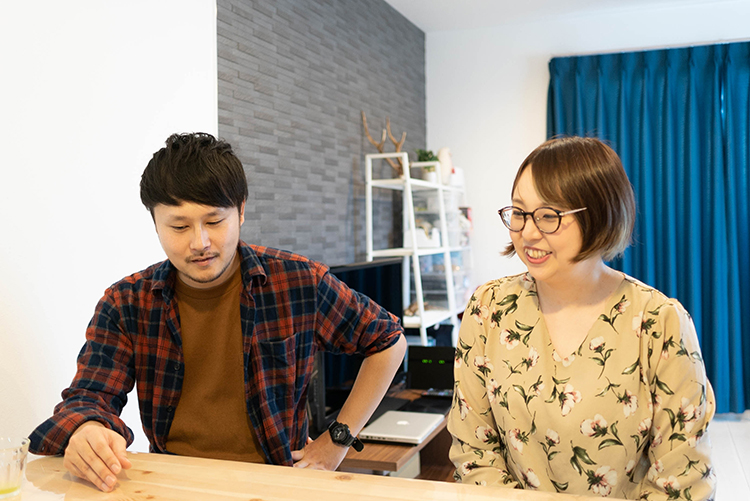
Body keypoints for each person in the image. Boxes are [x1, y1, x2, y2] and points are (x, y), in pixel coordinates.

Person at [29, 132, 406, 492]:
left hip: (278, 481)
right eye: (179, 226)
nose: (200, 242)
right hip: (172, 483)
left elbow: (388, 341)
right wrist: (87, 429)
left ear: (240, 211)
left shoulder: (297, 281)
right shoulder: (127, 303)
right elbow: (89, 396)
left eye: (213, 221)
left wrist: (338, 439)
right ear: (155, 224)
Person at [447, 136, 715, 500]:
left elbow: (683, 480)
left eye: (549, 216)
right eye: (520, 213)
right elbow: (474, 453)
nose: (528, 232)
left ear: (600, 215)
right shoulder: (489, 309)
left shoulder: (659, 322)